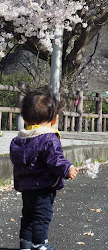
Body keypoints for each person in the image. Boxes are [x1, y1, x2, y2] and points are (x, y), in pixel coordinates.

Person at [10, 86, 79, 250]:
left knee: (28, 215)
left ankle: (25, 244)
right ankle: (39, 244)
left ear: (25, 119)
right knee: (42, 216)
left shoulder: (19, 140)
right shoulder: (49, 138)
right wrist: (67, 168)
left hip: (26, 187)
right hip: (43, 187)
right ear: (54, 119)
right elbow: (55, 159)